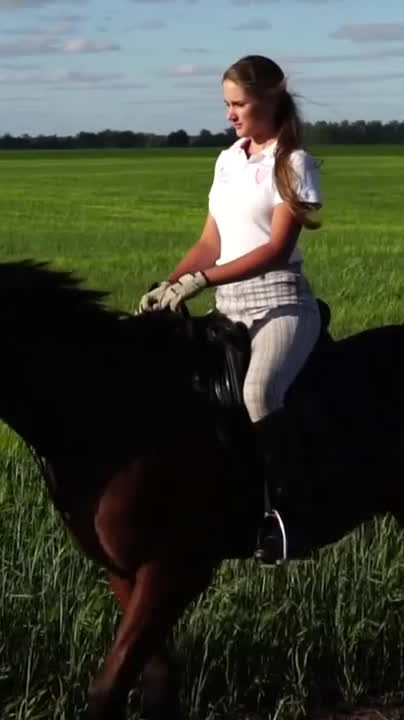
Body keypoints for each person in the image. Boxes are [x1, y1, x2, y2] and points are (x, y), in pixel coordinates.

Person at [139, 54, 324, 566]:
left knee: (259, 393)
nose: (230, 115)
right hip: (229, 308)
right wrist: (170, 284)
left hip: (281, 305)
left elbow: (276, 251)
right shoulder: (227, 160)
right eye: (227, 105)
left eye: (238, 104)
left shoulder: (292, 163)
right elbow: (210, 240)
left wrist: (202, 279)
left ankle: (291, 518)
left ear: (269, 100)